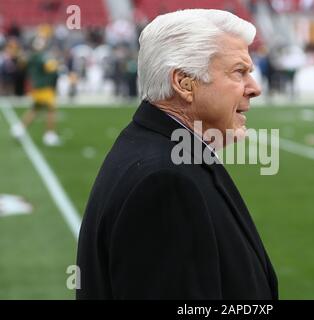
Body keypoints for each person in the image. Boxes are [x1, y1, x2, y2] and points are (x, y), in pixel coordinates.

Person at [76, 9, 278, 300]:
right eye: (239, 72)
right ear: (184, 83)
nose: (254, 88)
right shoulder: (165, 182)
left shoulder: (160, 150)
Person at [11, 36, 60, 146]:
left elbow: (22, 64)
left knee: (35, 109)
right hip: (45, 88)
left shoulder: (31, 57)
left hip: (37, 87)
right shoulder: (42, 57)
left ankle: (19, 128)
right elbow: (52, 68)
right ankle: (49, 135)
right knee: (51, 111)